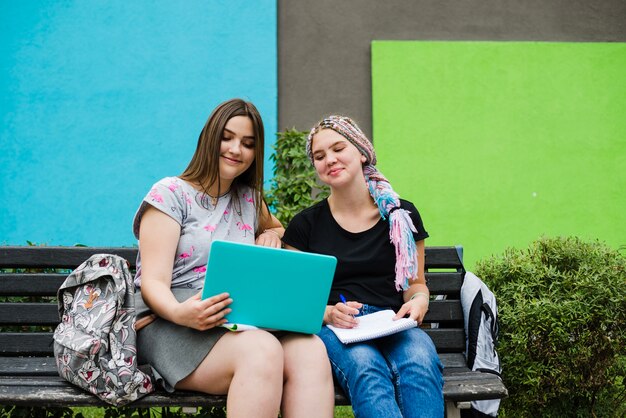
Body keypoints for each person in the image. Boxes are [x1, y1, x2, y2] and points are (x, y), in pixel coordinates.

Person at [133, 98, 334, 418]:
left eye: (248, 143)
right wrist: (181, 313)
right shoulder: (170, 194)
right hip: (173, 322)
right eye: (227, 137)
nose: (236, 149)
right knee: (262, 350)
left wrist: (271, 235)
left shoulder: (250, 199)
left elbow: (277, 227)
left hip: (238, 320)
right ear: (209, 138)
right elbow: (152, 282)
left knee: (310, 350)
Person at [282, 115, 444, 418]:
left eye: (338, 148)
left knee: (419, 363)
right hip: (340, 327)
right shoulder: (305, 225)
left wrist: (420, 301)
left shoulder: (400, 215)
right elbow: (296, 302)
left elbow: (415, 284)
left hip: (393, 322)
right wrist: (329, 312)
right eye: (319, 156)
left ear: (360, 151)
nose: (329, 159)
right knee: (367, 369)